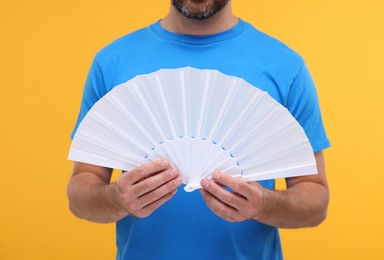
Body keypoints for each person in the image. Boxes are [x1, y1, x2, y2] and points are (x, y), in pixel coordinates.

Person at [67, 0, 330, 259]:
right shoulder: (112, 64)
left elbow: (315, 202)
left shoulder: (286, 68)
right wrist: (116, 199)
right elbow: (80, 195)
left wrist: (264, 205)